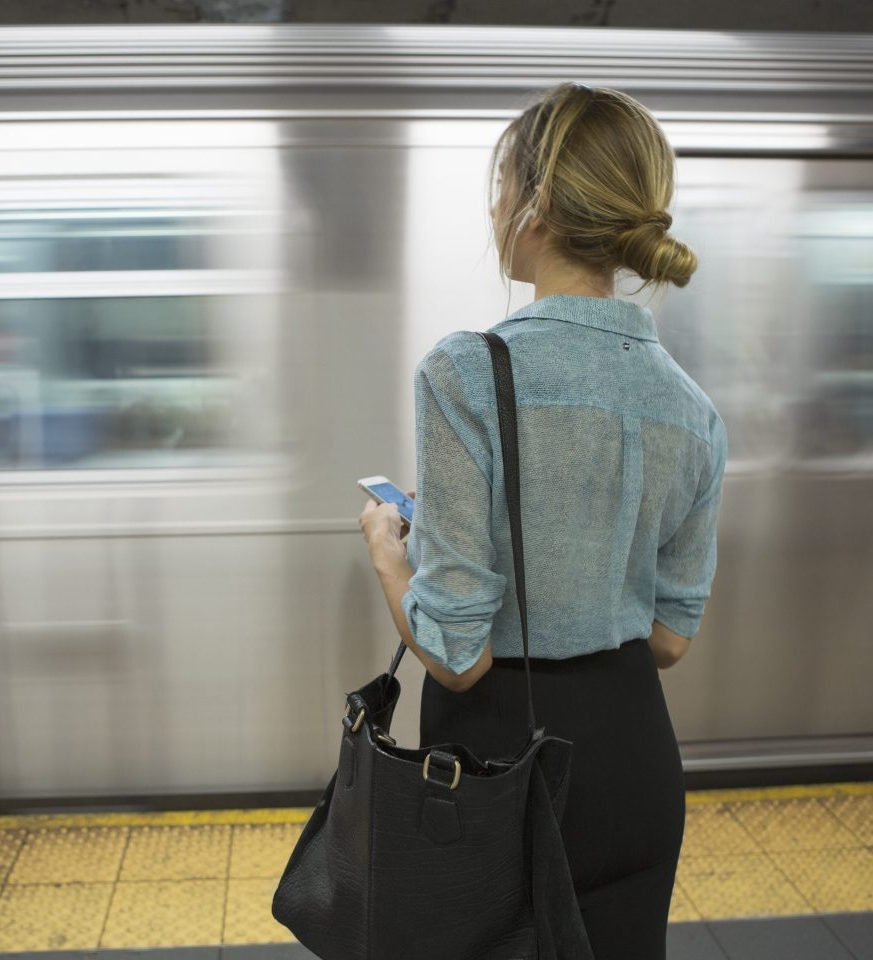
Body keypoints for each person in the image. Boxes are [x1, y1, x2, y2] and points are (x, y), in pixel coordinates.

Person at [358, 82, 726, 959]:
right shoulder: (693, 408)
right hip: (637, 763)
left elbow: (457, 657)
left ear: (538, 204)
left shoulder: (466, 372)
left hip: (502, 764)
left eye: (501, 185)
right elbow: (671, 640)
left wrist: (387, 556)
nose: (493, 209)